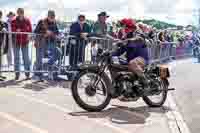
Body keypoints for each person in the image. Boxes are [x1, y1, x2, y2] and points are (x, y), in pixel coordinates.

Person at [112, 18, 150, 96]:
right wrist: (109, 54)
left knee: (132, 63)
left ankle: (146, 83)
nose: (122, 29)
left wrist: (129, 40)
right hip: (130, 60)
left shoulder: (137, 32)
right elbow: (120, 51)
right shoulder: (125, 37)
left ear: (129, 26)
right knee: (114, 64)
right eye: (121, 27)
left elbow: (140, 39)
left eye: (123, 26)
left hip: (142, 58)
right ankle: (118, 87)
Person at [34, 10, 60, 80]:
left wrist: (52, 33)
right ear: (48, 16)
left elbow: (57, 32)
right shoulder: (41, 21)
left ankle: (49, 65)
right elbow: (36, 31)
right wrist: (45, 32)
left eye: (53, 17)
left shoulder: (54, 23)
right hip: (41, 42)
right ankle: (38, 75)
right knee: (39, 58)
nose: (52, 18)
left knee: (58, 52)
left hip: (51, 43)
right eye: (51, 17)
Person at [11, 8, 32, 80]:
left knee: (26, 58)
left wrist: (20, 30)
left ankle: (27, 73)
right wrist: (21, 30)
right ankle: (17, 74)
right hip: (16, 41)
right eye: (19, 13)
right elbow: (13, 29)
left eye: (21, 13)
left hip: (25, 41)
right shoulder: (13, 21)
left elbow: (30, 29)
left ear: (23, 13)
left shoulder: (27, 20)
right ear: (17, 13)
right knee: (16, 58)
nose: (20, 14)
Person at [0, 10, 8, 81]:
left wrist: (4, 29)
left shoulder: (3, 23)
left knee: (1, 60)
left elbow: (6, 29)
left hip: (1, 43)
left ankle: (0, 74)